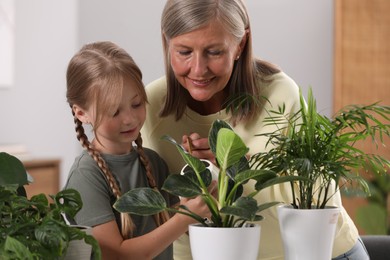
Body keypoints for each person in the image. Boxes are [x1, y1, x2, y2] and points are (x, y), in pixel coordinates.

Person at [140, 0, 370, 259]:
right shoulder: (149, 106)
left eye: (214, 52)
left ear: (240, 45)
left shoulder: (280, 95)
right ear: (166, 41)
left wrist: (239, 167)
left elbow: (322, 200)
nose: (198, 69)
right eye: (184, 52)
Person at [64, 41, 211, 260]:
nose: (130, 119)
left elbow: (183, 229)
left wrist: (201, 174)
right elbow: (117, 255)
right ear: (81, 113)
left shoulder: (153, 162)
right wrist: (185, 216)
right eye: (114, 112)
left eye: (136, 104)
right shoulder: (86, 176)